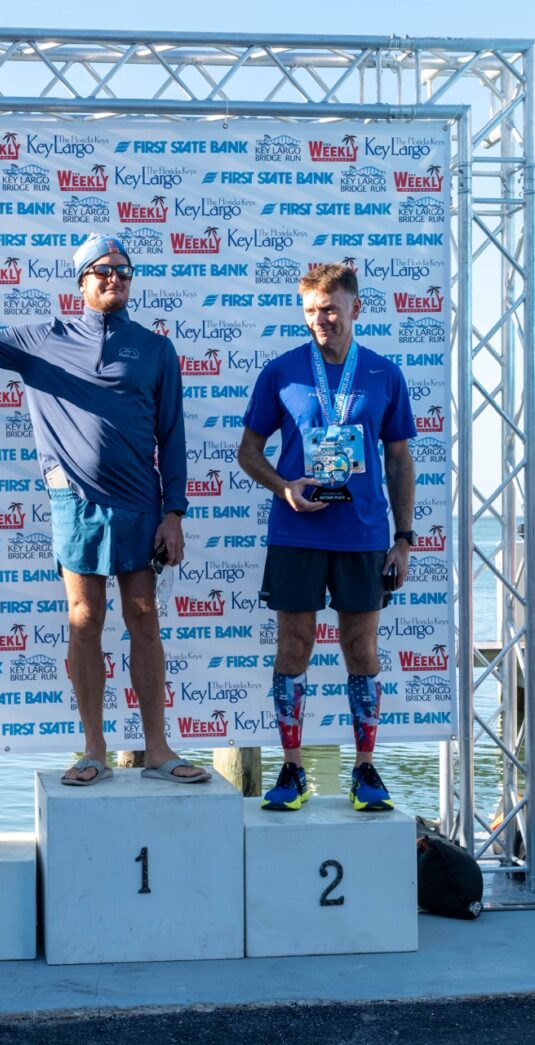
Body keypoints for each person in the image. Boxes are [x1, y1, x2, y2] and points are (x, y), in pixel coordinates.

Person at [0, 233, 210, 786]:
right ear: (81, 281)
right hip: (74, 502)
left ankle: (157, 748)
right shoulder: (42, 339)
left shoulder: (155, 349)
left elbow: (172, 437)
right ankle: (93, 748)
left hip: (141, 504)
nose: (114, 279)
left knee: (144, 620)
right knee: (84, 620)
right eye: (102, 271)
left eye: (124, 272)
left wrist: (175, 512)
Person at [237, 263, 416, 812]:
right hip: (297, 532)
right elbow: (248, 453)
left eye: (332, 308)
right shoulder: (282, 372)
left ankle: (365, 768)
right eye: (312, 310)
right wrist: (284, 486)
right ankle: (292, 771)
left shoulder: (385, 375)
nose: (322, 319)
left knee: (361, 649)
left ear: (356, 309)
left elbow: (399, 460)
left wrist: (404, 537)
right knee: (293, 646)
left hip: (363, 536)